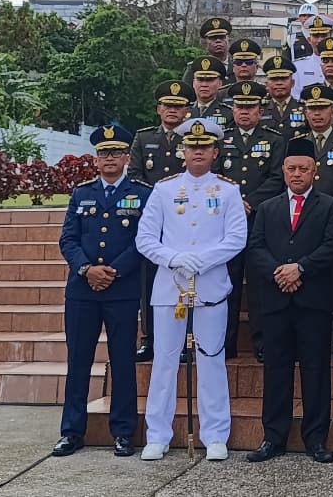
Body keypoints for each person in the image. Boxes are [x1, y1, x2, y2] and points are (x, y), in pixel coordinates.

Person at [136, 119, 247, 462]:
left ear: (215, 151)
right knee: (165, 362)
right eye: (191, 147)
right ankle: (158, 434)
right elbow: (145, 238)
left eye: (204, 147)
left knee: (211, 360)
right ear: (182, 151)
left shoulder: (228, 190)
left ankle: (215, 434)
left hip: (210, 285)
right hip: (170, 288)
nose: (197, 152)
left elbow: (236, 239)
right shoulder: (164, 189)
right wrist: (173, 258)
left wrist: (202, 260)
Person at [54, 124, 151, 458]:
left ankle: (123, 432)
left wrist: (114, 271)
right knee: (78, 362)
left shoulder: (143, 193)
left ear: (126, 157)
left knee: (123, 362)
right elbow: (68, 239)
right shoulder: (81, 193)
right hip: (82, 290)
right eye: (103, 153)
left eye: (115, 153)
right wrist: (87, 269)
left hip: (121, 289)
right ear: (96, 159)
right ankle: (71, 431)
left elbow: (145, 241)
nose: (109, 159)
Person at [245, 139, 333, 464]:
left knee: (315, 371)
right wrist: (279, 272)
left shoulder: (329, 206)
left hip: (312, 301)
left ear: (315, 171)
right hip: (275, 301)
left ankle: (316, 439)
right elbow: (255, 246)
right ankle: (273, 437)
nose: (297, 174)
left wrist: (300, 268)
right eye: (291, 169)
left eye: (304, 168)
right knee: (276, 371)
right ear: (283, 171)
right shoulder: (268, 207)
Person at [128, 80, 196, 361]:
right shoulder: (143, 138)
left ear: (187, 111)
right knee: (150, 284)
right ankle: (151, 339)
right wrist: (159, 202)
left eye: (178, 107)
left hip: (185, 221)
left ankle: (185, 341)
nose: (172, 111)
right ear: (159, 108)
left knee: (186, 282)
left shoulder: (193, 139)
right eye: (167, 105)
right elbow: (134, 175)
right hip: (155, 222)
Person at [218, 81, 286, 360]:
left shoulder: (274, 140)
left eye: (250, 107)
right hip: (226, 222)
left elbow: (277, 178)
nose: (244, 112)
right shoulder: (221, 141)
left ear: (260, 110)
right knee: (227, 283)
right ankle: (226, 343)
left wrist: (251, 202)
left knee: (260, 285)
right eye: (239, 107)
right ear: (233, 110)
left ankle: (261, 343)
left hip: (260, 220)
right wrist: (234, 203)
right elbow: (215, 177)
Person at [294, 83, 333, 364]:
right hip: (302, 222)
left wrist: (324, 208)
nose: (316, 114)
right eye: (311, 109)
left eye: (322, 109)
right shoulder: (297, 143)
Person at [259, 56, 308, 137]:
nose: (279, 83)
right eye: (274, 79)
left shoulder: (305, 109)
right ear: (267, 84)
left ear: (292, 83)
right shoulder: (259, 109)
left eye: (283, 78)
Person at [188, 57, 234, 129]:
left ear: (220, 83)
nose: (204, 85)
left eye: (209, 80)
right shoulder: (183, 111)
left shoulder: (229, 114)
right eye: (200, 80)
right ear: (193, 83)